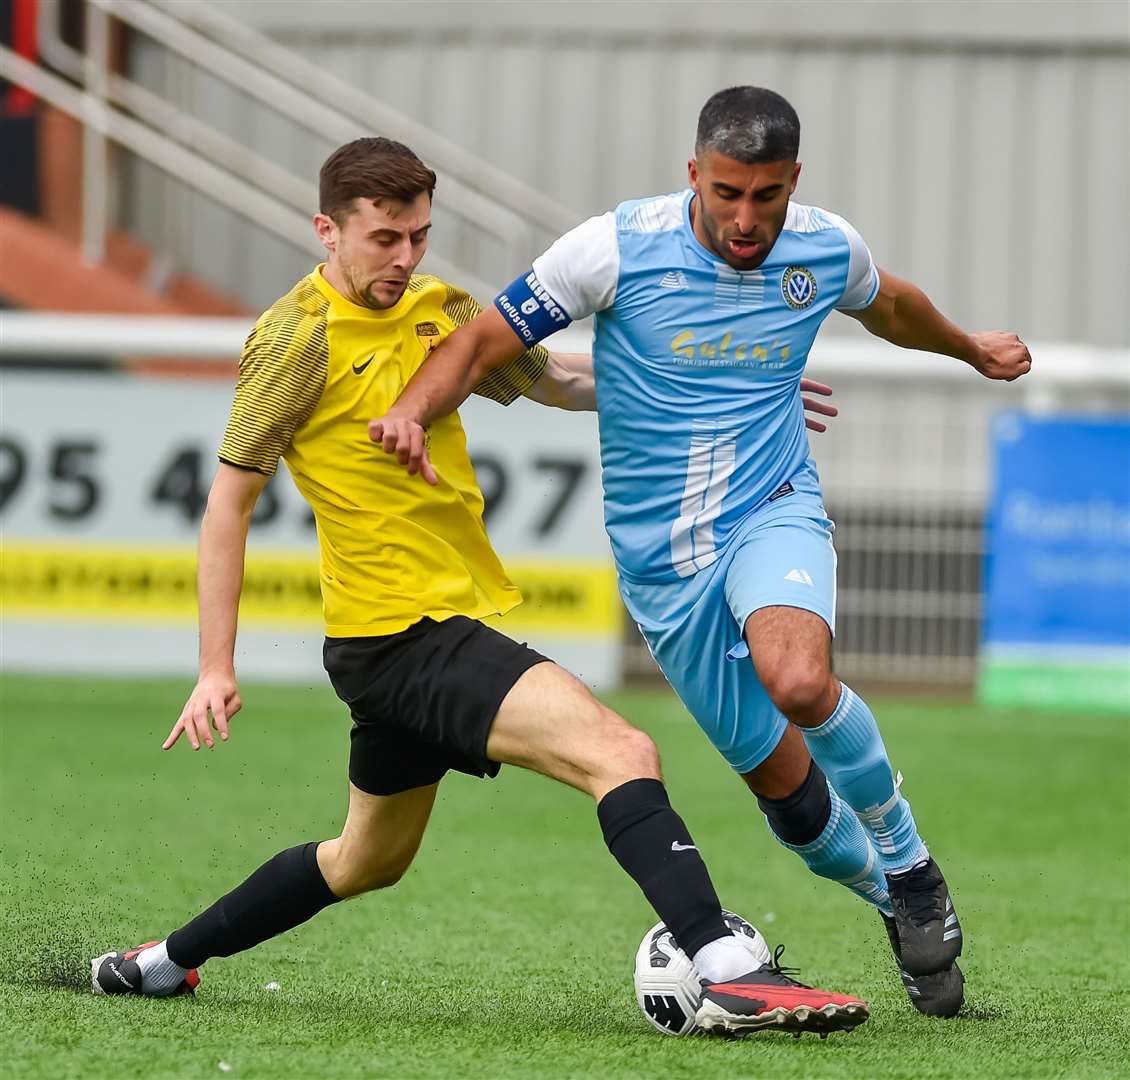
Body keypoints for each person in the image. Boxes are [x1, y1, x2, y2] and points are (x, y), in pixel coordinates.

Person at [90, 136, 870, 1039]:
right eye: (384, 238)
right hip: (403, 635)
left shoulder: (441, 313)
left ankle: (162, 963)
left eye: (418, 235)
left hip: (403, 642)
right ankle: (728, 968)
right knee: (619, 751)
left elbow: (564, 383)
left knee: (362, 860)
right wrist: (214, 665)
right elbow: (227, 504)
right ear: (327, 230)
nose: (405, 257)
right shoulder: (294, 338)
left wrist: (720, 387)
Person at [370, 87, 1034, 1020]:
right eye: (727, 192)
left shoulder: (822, 246)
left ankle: (912, 864)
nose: (746, 217)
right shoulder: (613, 248)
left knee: (799, 681)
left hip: (773, 506)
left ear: (793, 183)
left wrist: (969, 349)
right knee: (789, 795)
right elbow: (484, 340)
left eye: (766, 196)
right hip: (663, 568)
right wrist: (409, 411)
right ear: (694, 174)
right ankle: (892, 901)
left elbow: (890, 306)